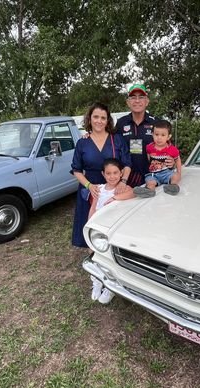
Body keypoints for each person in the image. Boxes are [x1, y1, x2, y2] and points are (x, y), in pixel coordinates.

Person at [71, 102, 132, 248]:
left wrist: (123, 182)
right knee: (91, 225)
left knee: (114, 224)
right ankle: (93, 252)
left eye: (103, 118)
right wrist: (88, 185)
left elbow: (127, 164)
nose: (99, 121)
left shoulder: (116, 139)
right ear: (89, 118)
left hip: (115, 186)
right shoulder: (82, 143)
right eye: (96, 117)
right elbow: (76, 170)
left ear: (108, 120)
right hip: (92, 188)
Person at [87, 158, 134, 304]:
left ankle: (110, 286)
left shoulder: (123, 189)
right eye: (108, 173)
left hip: (113, 230)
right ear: (103, 174)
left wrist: (114, 197)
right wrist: (89, 226)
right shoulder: (99, 189)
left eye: (115, 173)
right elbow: (93, 208)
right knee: (95, 256)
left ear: (121, 173)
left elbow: (132, 194)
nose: (112, 176)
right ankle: (97, 281)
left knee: (110, 259)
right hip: (98, 231)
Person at [114, 83, 174, 187]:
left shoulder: (156, 122)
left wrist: (172, 160)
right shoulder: (121, 123)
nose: (137, 101)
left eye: (141, 97)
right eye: (133, 97)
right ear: (128, 102)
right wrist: (90, 135)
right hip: (127, 178)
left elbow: (169, 146)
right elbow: (109, 142)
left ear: (147, 101)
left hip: (154, 176)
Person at [133, 120, 181, 197]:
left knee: (175, 176)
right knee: (150, 181)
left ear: (168, 137)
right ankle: (149, 190)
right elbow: (148, 158)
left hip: (167, 173)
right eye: (156, 134)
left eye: (163, 135)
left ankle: (173, 187)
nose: (159, 138)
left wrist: (179, 172)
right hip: (153, 174)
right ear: (152, 134)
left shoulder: (172, 149)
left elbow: (177, 159)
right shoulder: (149, 147)